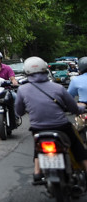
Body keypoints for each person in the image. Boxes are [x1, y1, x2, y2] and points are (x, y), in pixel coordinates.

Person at [14, 56, 87, 185]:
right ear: (45, 70)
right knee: (76, 146)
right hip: (62, 126)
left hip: (38, 128)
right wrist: (81, 108)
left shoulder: (22, 89)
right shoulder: (58, 88)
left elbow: (18, 111)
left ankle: (37, 172)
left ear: (27, 72)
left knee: (38, 147)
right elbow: (73, 108)